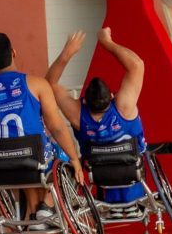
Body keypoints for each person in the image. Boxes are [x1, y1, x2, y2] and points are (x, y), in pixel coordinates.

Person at [0, 32, 84, 230]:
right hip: (33, 159)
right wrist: (75, 159)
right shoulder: (36, 84)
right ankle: (47, 205)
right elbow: (56, 127)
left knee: (18, 149)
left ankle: (32, 211)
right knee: (60, 153)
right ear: (13, 52)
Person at [46, 27, 146, 218]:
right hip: (132, 171)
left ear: (84, 100)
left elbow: (50, 83)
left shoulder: (78, 115)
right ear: (111, 96)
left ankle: (112, 204)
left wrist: (67, 54)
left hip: (99, 176)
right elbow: (137, 64)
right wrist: (108, 43)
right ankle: (130, 203)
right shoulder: (124, 107)